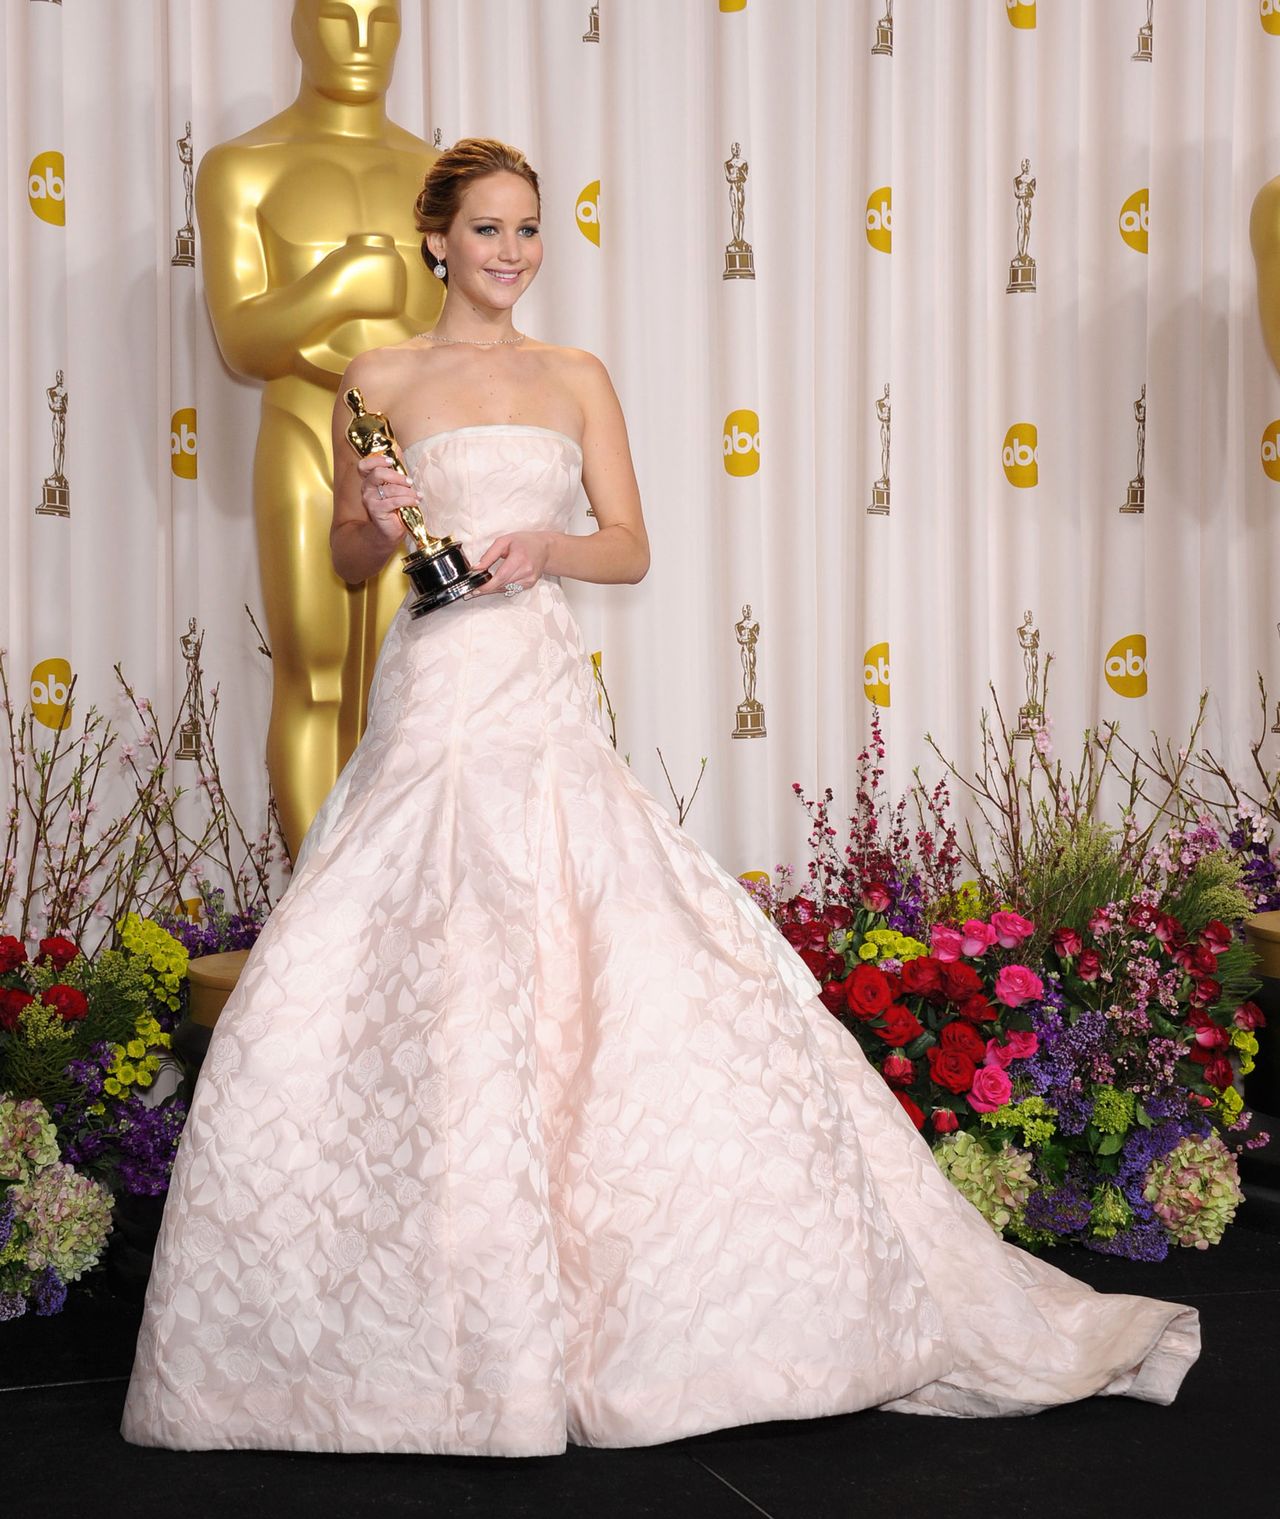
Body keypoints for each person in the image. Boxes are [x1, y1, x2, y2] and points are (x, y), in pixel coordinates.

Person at [121, 139, 1198, 1459]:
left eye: (528, 230)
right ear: (436, 242)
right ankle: (413, 1326)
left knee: (584, 935)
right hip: (428, 683)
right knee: (402, 943)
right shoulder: (376, 375)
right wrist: (377, 507)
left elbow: (629, 543)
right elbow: (354, 560)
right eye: (489, 229)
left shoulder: (576, 378)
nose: (513, 251)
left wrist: (542, 547)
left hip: (532, 674)